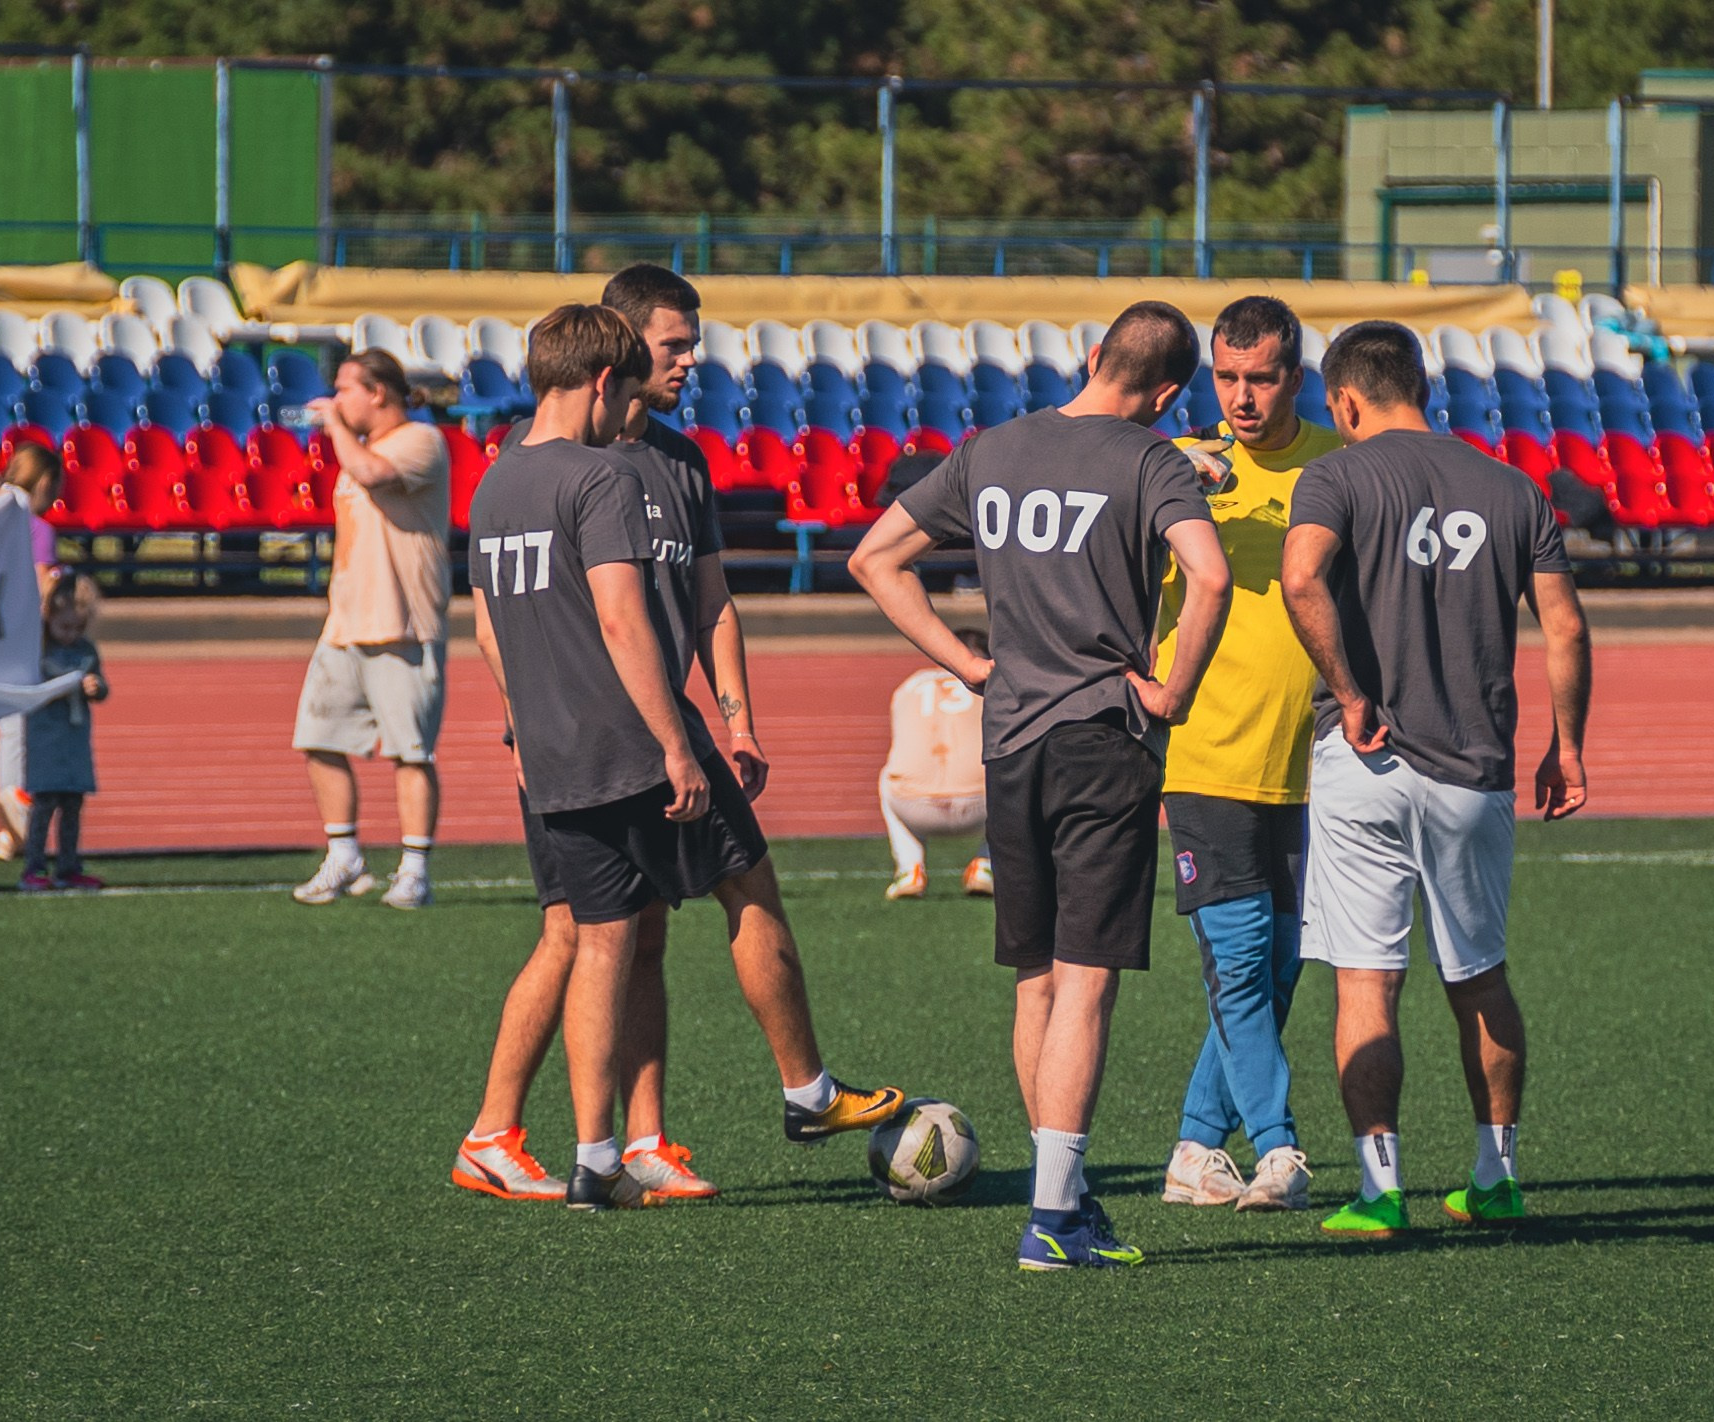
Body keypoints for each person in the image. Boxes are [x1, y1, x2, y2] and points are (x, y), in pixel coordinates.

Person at [457, 270, 905, 1208]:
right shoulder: (591, 472)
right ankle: (798, 1093)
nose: (688, 363)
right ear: (611, 357)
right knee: (625, 926)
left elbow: (701, 603)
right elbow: (619, 623)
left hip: (586, 742)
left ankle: (619, 1144)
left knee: (616, 937)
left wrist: (730, 717)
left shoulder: (528, 474)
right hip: (631, 738)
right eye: (669, 347)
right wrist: (672, 739)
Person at [851, 300, 1233, 1271]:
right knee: (1089, 976)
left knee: (1035, 977)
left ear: (1092, 354)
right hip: (1103, 736)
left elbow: (874, 558)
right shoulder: (1152, 462)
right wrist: (1174, 691)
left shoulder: (991, 448)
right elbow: (1213, 577)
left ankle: (1057, 1195)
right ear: (1169, 393)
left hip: (1011, 740)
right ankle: (1056, 1218)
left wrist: (968, 664)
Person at [1278, 320, 1591, 1240]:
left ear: (1342, 401)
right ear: (1420, 385)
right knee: (1479, 976)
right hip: (1473, 767)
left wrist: (1348, 691)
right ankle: (1494, 1176)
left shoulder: (1333, 474)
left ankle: (1378, 1190)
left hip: (1362, 755)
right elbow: (1565, 628)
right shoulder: (1511, 487)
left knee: (1365, 982)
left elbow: (1301, 580)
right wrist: (1567, 746)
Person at [1154, 296, 1344, 1214]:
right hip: (1206, 757)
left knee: (1279, 966)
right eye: (1225, 377)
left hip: (1317, 761)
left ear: (1293, 378)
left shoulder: (1337, 468)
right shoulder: (1178, 471)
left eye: (1260, 377)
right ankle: (1278, 1149)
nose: (1241, 396)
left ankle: (1195, 1147)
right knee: (1237, 960)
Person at [289, 351, 453, 910]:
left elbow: (371, 473)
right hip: (346, 623)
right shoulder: (357, 447)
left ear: (378, 392)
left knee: (411, 753)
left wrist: (333, 426)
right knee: (319, 739)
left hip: (402, 624)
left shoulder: (419, 442)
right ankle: (343, 855)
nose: (337, 402)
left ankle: (414, 869)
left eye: (345, 390)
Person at [0, 444, 63, 862]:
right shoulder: (35, 527)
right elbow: (41, 588)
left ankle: (8, 838)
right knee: (15, 729)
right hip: (12, 638)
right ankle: (12, 802)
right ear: (46, 481)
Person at [881, 626, 992, 900]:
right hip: (984, 806)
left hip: (911, 804)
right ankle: (987, 864)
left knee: (887, 776)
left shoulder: (910, 684)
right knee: (1020, 771)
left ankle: (910, 868)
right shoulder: (996, 684)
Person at [18, 569, 108, 892]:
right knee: (44, 805)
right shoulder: (38, 650)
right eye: (63, 626)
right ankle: (34, 867)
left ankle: (68, 867)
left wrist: (95, 687)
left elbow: (102, 689)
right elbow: (26, 686)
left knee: (72, 805)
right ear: (48, 616)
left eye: (77, 628)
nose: (70, 634)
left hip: (74, 742)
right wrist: (57, 687)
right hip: (46, 741)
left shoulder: (86, 651)